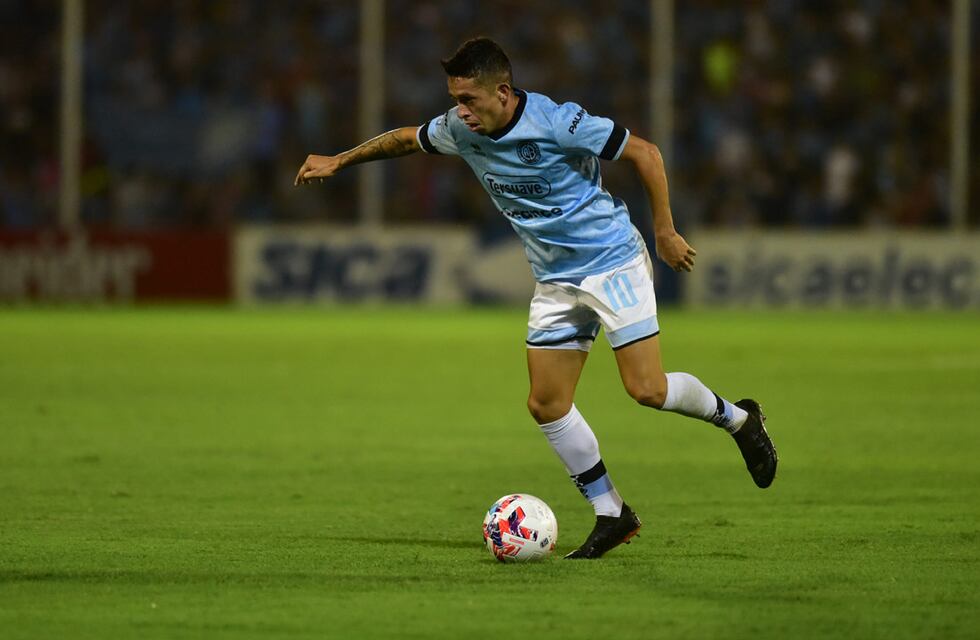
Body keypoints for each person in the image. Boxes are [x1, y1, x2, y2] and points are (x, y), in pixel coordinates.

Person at [295, 37, 777, 559]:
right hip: (555, 279)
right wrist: (339, 161)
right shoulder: (461, 128)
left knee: (646, 389)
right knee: (546, 404)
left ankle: (740, 420)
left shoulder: (556, 122)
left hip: (612, 262)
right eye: (456, 99)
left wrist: (664, 229)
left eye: (470, 100)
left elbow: (645, 152)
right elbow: (406, 139)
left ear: (502, 92)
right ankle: (612, 512)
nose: (461, 112)